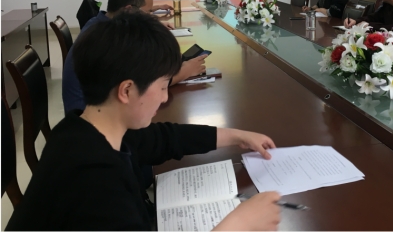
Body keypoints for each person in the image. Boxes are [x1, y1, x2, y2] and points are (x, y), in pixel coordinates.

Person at [6, 12, 281, 231]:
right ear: (126, 90)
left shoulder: (85, 128)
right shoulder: (97, 182)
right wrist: (239, 224)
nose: (164, 97)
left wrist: (237, 136)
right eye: (162, 86)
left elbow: (164, 138)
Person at [62, 0, 205, 114]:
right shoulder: (107, 40)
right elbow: (143, 85)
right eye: (147, 13)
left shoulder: (101, 24)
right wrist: (184, 72)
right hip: (90, 121)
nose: (150, 17)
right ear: (128, 10)